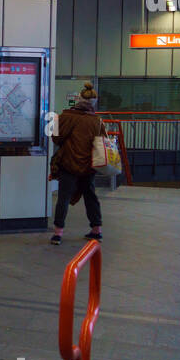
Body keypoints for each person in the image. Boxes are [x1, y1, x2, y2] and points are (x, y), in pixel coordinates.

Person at [49, 82, 104, 245]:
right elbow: (103, 142)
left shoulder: (65, 117)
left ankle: (58, 233)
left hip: (69, 163)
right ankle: (96, 230)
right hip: (89, 166)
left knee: (63, 197)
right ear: (94, 103)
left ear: (79, 99)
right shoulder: (97, 121)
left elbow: (56, 138)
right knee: (90, 195)